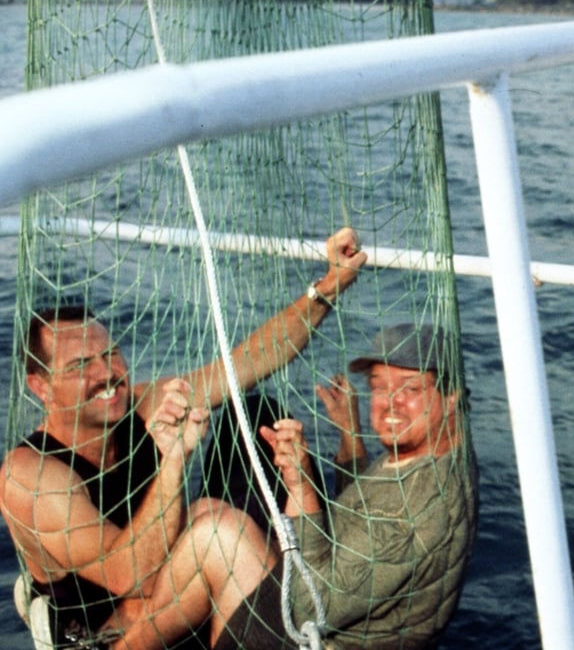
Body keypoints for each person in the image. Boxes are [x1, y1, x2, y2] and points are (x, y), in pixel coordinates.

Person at [0, 227, 367, 649]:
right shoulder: (30, 477)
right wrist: (173, 458)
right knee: (216, 532)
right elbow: (128, 574)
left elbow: (249, 363)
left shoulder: (136, 404)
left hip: (168, 603)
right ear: (40, 387)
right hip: (112, 637)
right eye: (80, 365)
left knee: (251, 415)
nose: (105, 374)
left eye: (109, 354)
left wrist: (330, 285)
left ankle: (294, 613)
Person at [217, 323, 478, 650]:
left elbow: (309, 608)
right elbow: (363, 523)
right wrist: (349, 433)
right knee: (215, 514)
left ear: (451, 397)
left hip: (312, 627)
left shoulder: (417, 507)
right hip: (332, 597)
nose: (390, 402)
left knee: (218, 533)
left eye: (410, 388)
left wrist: (300, 483)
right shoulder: (439, 454)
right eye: (379, 387)